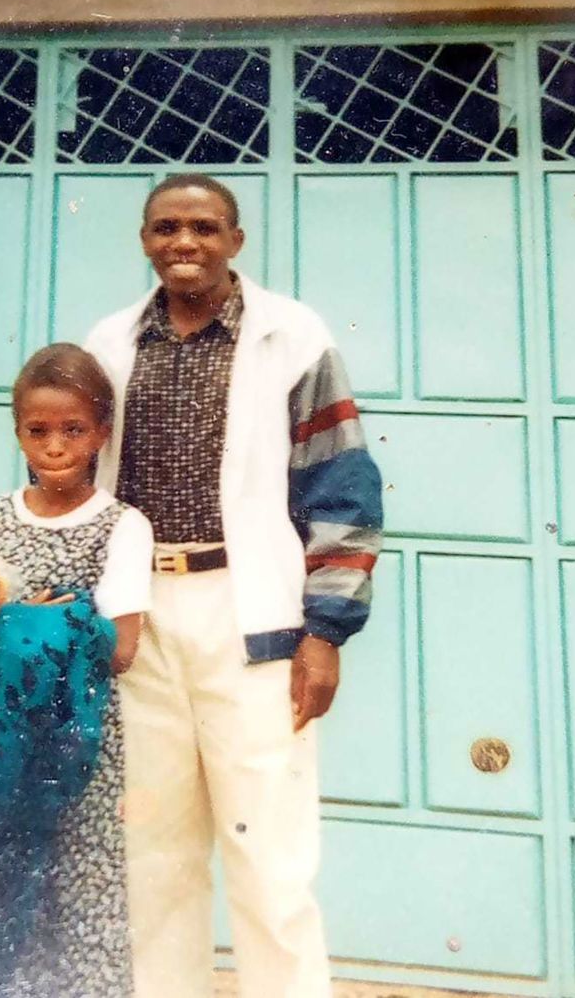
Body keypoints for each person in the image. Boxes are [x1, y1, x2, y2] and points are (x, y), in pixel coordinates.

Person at [85, 173, 384, 998]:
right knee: (151, 855)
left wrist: (326, 631)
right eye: (168, 227)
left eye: (205, 228)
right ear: (144, 239)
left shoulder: (291, 336)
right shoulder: (109, 343)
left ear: (235, 241)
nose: (186, 243)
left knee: (271, 859)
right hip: (138, 623)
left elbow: (343, 484)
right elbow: (75, 482)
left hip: (251, 616)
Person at [0, 342, 154, 998]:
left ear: (102, 431)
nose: (55, 446)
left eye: (73, 430)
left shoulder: (122, 527)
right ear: (18, 432)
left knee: (74, 887)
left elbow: (122, 647)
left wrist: (12, 616)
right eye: (38, 431)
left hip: (76, 744)